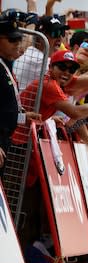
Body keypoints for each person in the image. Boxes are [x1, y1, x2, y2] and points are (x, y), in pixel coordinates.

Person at [0, 16, 41, 178]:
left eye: (19, 39)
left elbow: (5, 109)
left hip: (5, 140)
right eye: (12, 39)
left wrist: (23, 117)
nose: (17, 43)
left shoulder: (5, 63)